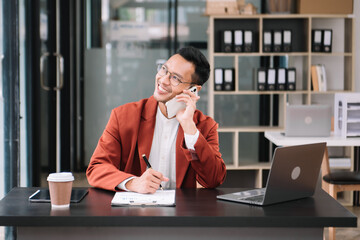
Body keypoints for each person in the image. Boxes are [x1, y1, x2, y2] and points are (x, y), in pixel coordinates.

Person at [86, 46, 226, 194]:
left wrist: (189, 128)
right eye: (164, 69)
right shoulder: (123, 116)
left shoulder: (204, 127)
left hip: (180, 213)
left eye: (175, 78)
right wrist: (133, 183)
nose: (163, 80)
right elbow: (97, 167)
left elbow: (214, 179)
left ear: (194, 90)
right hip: (134, 212)